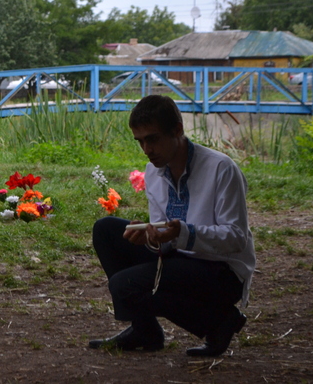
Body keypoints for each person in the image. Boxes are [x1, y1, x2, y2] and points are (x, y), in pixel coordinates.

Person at [89, 95, 255, 357]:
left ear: (177, 130)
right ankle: (145, 329)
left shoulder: (221, 168)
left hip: (221, 270)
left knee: (125, 285)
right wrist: (151, 238)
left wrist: (182, 234)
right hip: (180, 258)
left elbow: (236, 239)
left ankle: (220, 321)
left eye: (152, 139)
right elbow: (166, 236)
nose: (146, 149)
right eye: (140, 141)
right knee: (106, 229)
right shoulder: (154, 171)